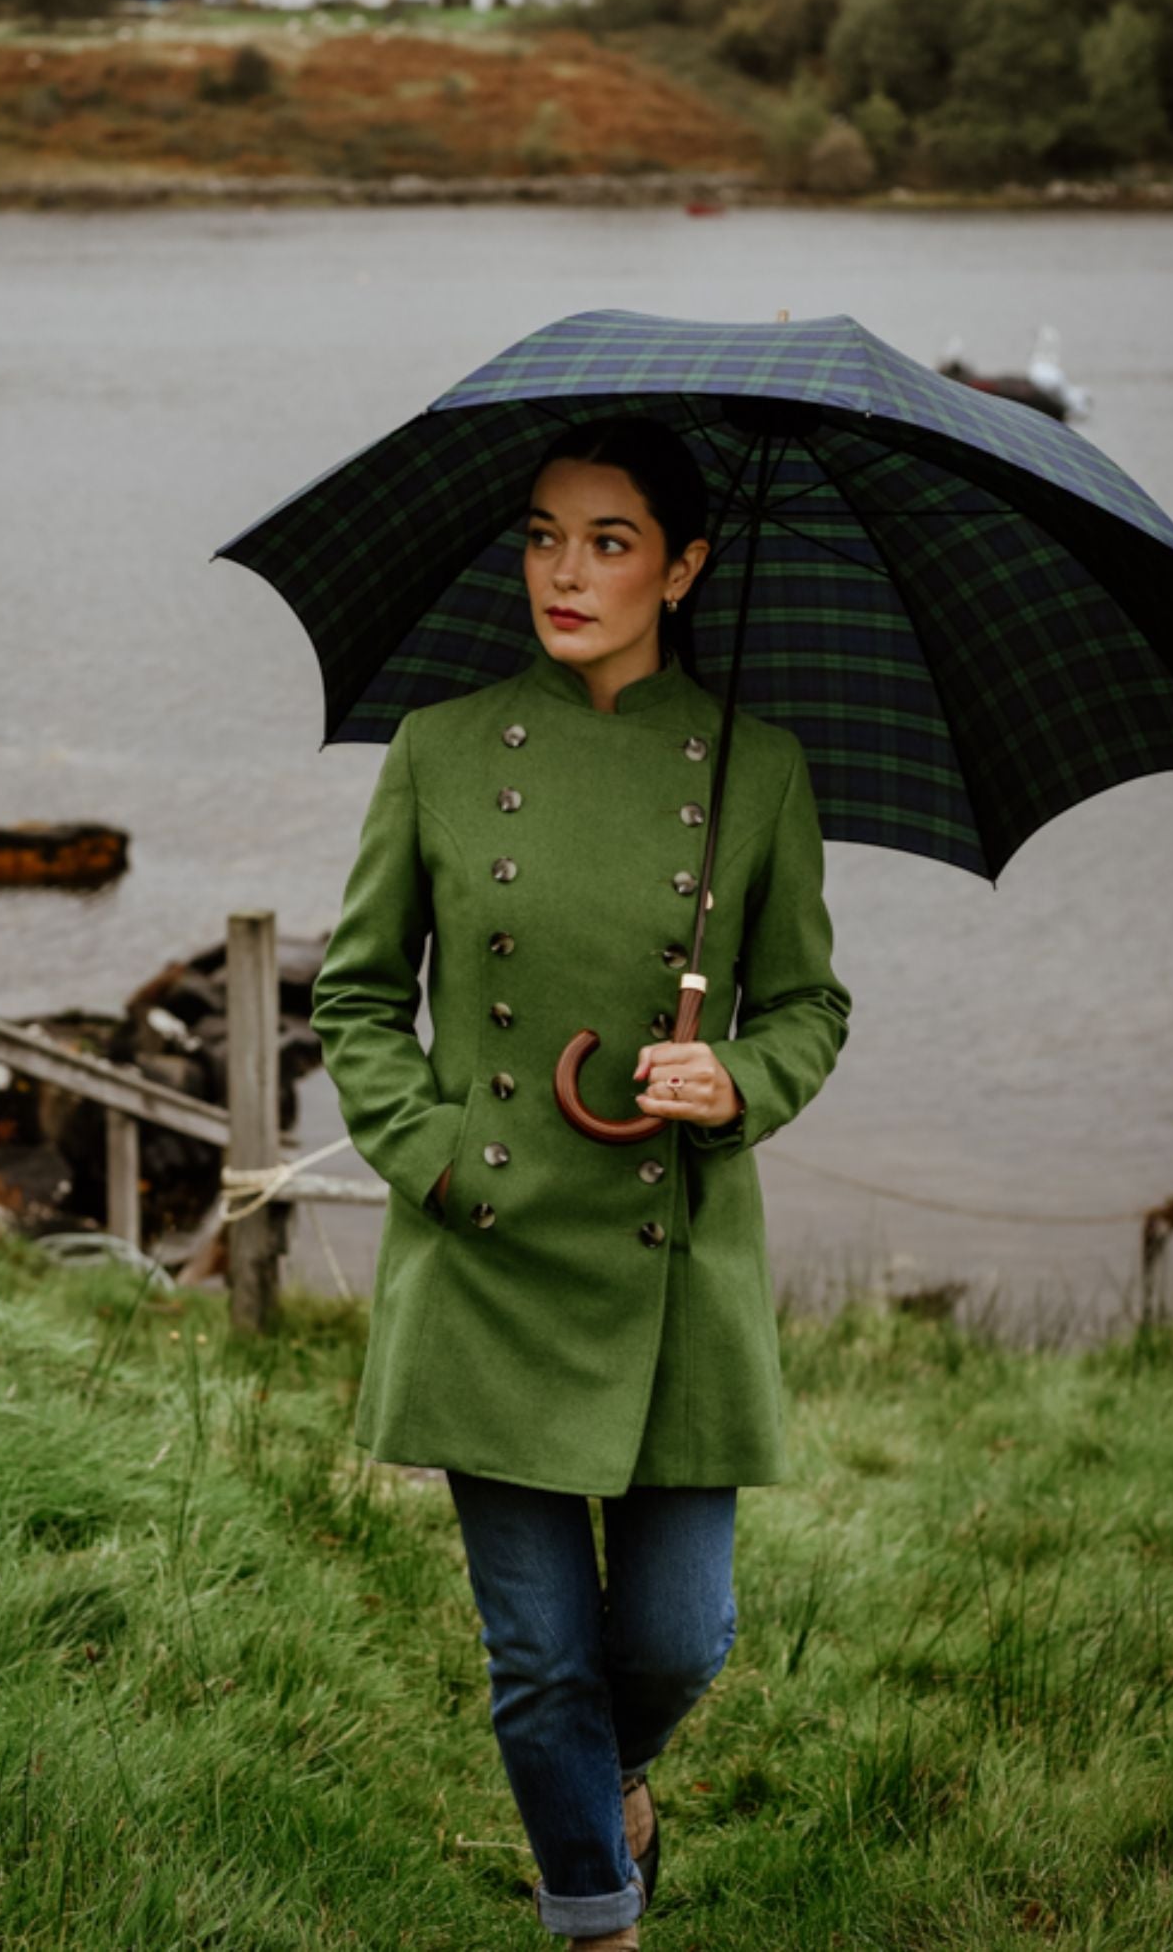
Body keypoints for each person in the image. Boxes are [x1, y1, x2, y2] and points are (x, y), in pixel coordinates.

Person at [309, 414, 852, 1949]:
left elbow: (811, 1002)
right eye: (544, 534)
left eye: (611, 541)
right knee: (540, 1654)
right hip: (488, 1246)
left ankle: (611, 1778)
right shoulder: (442, 746)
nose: (565, 570)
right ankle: (596, 1918)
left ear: (682, 568)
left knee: (679, 1637)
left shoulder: (759, 768)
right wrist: (433, 1158)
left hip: (676, 1256)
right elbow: (355, 995)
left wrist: (732, 1076)